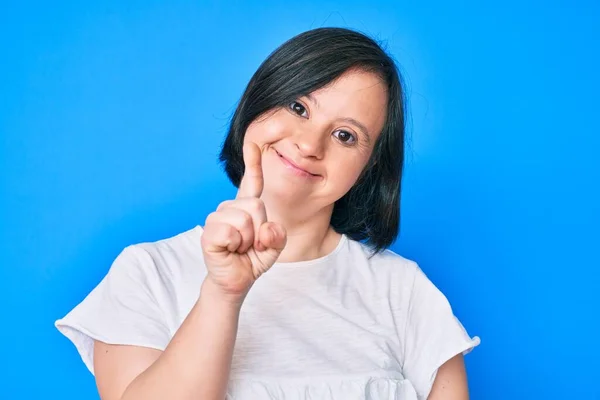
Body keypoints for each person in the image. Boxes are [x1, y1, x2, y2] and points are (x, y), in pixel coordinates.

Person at [55, 27, 480, 400]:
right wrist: (223, 294)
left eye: (345, 135)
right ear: (259, 101)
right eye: (298, 108)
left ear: (368, 168)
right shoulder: (148, 272)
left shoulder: (404, 291)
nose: (310, 144)